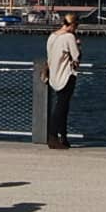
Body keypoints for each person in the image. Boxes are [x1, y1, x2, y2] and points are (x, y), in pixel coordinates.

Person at [44, 12, 81, 149]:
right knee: (62, 108)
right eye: (76, 26)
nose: (76, 29)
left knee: (60, 106)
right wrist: (78, 44)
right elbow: (76, 57)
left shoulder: (52, 37)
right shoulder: (69, 37)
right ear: (72, 25)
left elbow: (49, 57)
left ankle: (62, 137)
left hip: (54, 76)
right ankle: (55, 136)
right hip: (66, 76)